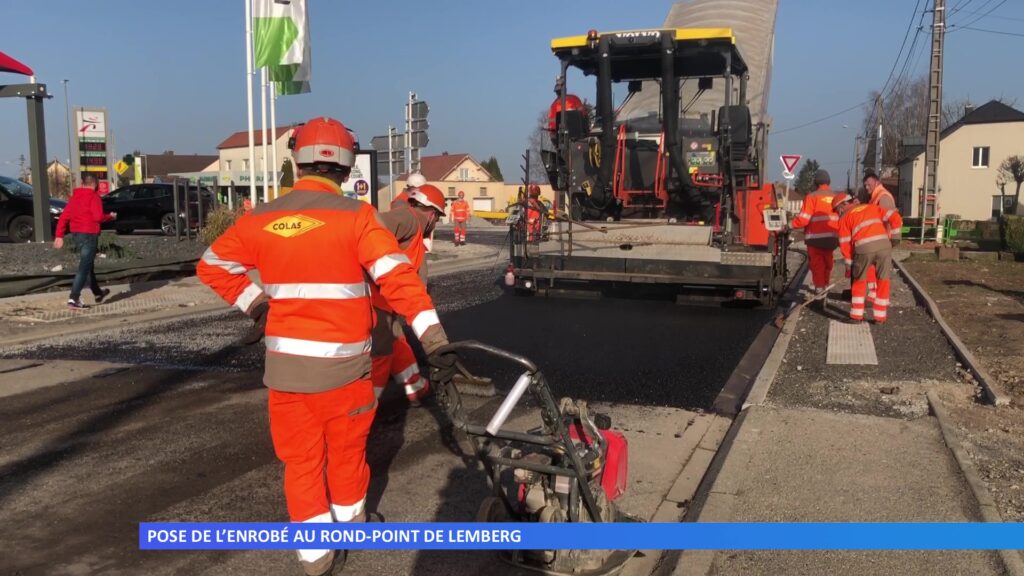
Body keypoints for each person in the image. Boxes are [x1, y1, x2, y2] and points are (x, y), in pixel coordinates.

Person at [196, 116, 456, 576]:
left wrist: (257, 305)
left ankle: (315, 558)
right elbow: (400, 281)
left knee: (300, 464)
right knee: (346, 455)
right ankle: (350, 526)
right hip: (346, 375)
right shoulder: (356, 219)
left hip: (285, 376)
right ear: (346, 164)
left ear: (298, 160)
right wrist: (435, 340)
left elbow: (212, 266)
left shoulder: (261, 219)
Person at [370, 184, 447, 405]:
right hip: (376, 299)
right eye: (438, 217)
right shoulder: (410, 219)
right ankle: (360, 410)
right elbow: (373, 228)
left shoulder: (411, 223)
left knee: (395, 340)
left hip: (387, 299)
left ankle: (414, 384)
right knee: (381, 352)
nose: (437, 223)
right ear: (432, 214)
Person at [833, 192, 903, 324]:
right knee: (883, 280)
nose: (838, 213)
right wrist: (895, 237)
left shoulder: (844, 218)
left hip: (863, 249)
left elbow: (845, 244)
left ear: (841, 206)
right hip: (884, 247)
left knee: (859, 280)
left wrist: (849, 264)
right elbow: (894, 216)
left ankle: (856, 316)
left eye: (837, 210)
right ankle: (880, 317)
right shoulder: (871, 207)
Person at [53, 174, 116, 309]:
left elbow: (64, 217)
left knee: (88, 265)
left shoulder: (74, 198)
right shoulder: (94, 197)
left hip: (76, 235)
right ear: (95, 184)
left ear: (83, 183)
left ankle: (97, 292)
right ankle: (73, 298)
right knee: (84, 267)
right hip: (89, 234)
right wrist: (110, 216)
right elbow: (98, 217)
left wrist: (59, 236)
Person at [789, 169, 839, 296]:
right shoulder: (836, 197)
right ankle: (825, 284)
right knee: (828, 262)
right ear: (829, 182)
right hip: (832, 238)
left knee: (817, 264)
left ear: (816, 183)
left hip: (815, 238)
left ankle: (819, 287)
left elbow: (803, 220)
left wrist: (789, 225)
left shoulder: (812, 197)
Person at [862, 172, 902, 301]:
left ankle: (878, 296)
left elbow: (892, 219)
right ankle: (874, 293)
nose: (866, 187)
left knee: (880, 272)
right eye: (865, 185)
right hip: (877, 240)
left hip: (882, 240)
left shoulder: (883, 197)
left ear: (877, 182)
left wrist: (894, 239)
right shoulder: (875, 197)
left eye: (868, 184)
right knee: (872, 268)